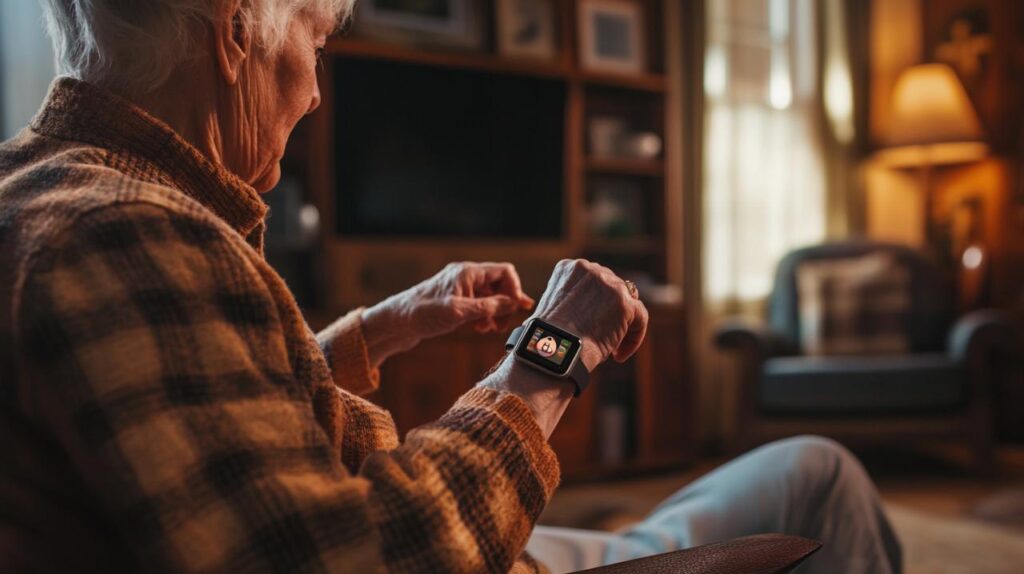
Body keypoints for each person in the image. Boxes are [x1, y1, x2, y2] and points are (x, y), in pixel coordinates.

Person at [0, 1, 899, 572]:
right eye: (317, 43)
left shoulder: (47, 198)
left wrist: (381, 328)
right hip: (450, 548)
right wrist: (550, 355)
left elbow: (206, 425)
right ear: (239, 27)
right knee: (816, 473)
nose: (315, 94)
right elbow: (365, 558)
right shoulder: (128, 234)